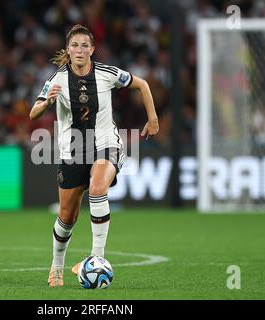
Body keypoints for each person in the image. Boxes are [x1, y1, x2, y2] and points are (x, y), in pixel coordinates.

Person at [29, 24, 159, 287]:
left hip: (105, 143)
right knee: (67, 216)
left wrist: (153, 119)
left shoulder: (106, 73)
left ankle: (96, 258)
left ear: (92, 49)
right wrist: (47, 102)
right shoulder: (57, 79)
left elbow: (142, 85)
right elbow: (33, 113)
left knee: (98, 188)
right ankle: (57, 266)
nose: (79, 50)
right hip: (72, 150)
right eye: (74, 45)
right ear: (68, 49)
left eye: (84, 45)